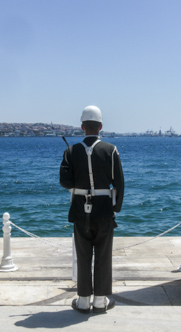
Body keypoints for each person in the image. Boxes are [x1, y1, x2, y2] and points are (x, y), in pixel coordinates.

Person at [59, 105, 124, 314]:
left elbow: (64, 182)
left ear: (82, 127)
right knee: (103, 255)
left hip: (79, 209)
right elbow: (119, 183)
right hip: (104, 210)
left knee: (83, 254)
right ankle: (100, 301)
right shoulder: (111, 150)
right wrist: (116, 207)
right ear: (101, 126)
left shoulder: (71, 151)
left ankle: (84, 301)